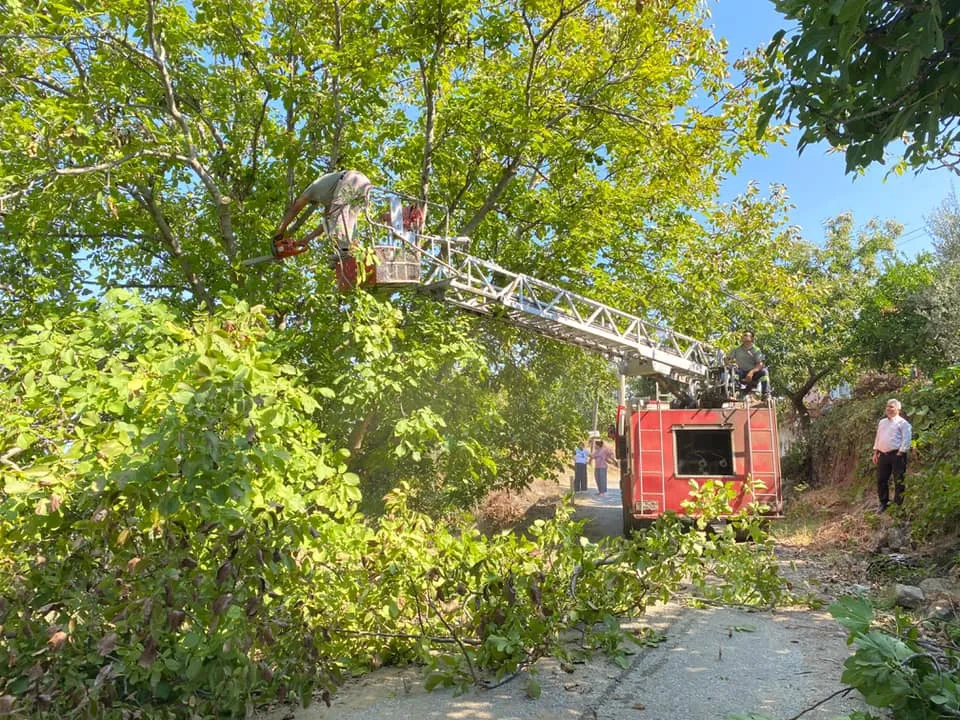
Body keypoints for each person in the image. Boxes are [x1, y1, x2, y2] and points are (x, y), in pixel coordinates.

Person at [271, 170, 372, 258]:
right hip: (364, 186)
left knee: (337, 217)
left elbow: (296, 207)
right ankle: (355, 252)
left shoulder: (312, 188)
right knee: (349, 223)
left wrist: (281, 230)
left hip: (352, 179)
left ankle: (344, 253)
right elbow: (326, 223)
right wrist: (307, 239)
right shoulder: (330, 199)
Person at [872, 398, 912, 512]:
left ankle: (898, 505)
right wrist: (876, 452)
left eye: (891, 407)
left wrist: (900, 453)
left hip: (897, 455)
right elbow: (878, 437)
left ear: (898, 409)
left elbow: (907, 439)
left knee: (898, 480)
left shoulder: (903, 423)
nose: (888, 409)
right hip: (883, 455)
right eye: (887, 406)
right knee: (881, 479)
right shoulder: (882, 422)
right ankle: (883, 503)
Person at [729, 331, 770, 399]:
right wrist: (730, 363)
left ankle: (766, 394)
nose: (743, 336)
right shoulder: (736, 349)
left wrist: (751, 372)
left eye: (745, 335)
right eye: (743, 335)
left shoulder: (756, 350)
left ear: (751, 338)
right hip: (741, 372)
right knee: (733, 370)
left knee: (764, 372)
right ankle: (735, 391)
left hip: (753, 374)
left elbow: (760, 364)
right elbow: (727, 359)